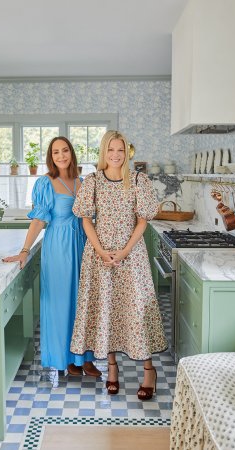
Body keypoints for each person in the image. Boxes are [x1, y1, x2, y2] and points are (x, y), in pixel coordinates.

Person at [70, 130, 167, 399]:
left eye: (120, 150)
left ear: (127, 153)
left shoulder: (138, 180)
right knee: (107, 311)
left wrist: (124, 251)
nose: (115, 155)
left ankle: (149, 370)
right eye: (111, 150)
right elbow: (86, 219)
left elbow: (143, 220)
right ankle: (111, 369)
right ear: (104, 152)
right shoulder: (92, 182)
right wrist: (101, 251)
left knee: (137, 312)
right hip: (99, 257)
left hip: (131, 256)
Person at [2, 136, 101, 377]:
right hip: (59, 247)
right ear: (51, 157)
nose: (61, 156)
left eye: (65, 150)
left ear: (71, 153)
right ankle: (65, 358)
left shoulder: (83, 182)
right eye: (56, 152)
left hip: (83, 245)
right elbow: (38, 220)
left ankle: (85, 358)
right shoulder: (46, 183)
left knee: (84, 302)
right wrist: (24, 251)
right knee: (61, 302)